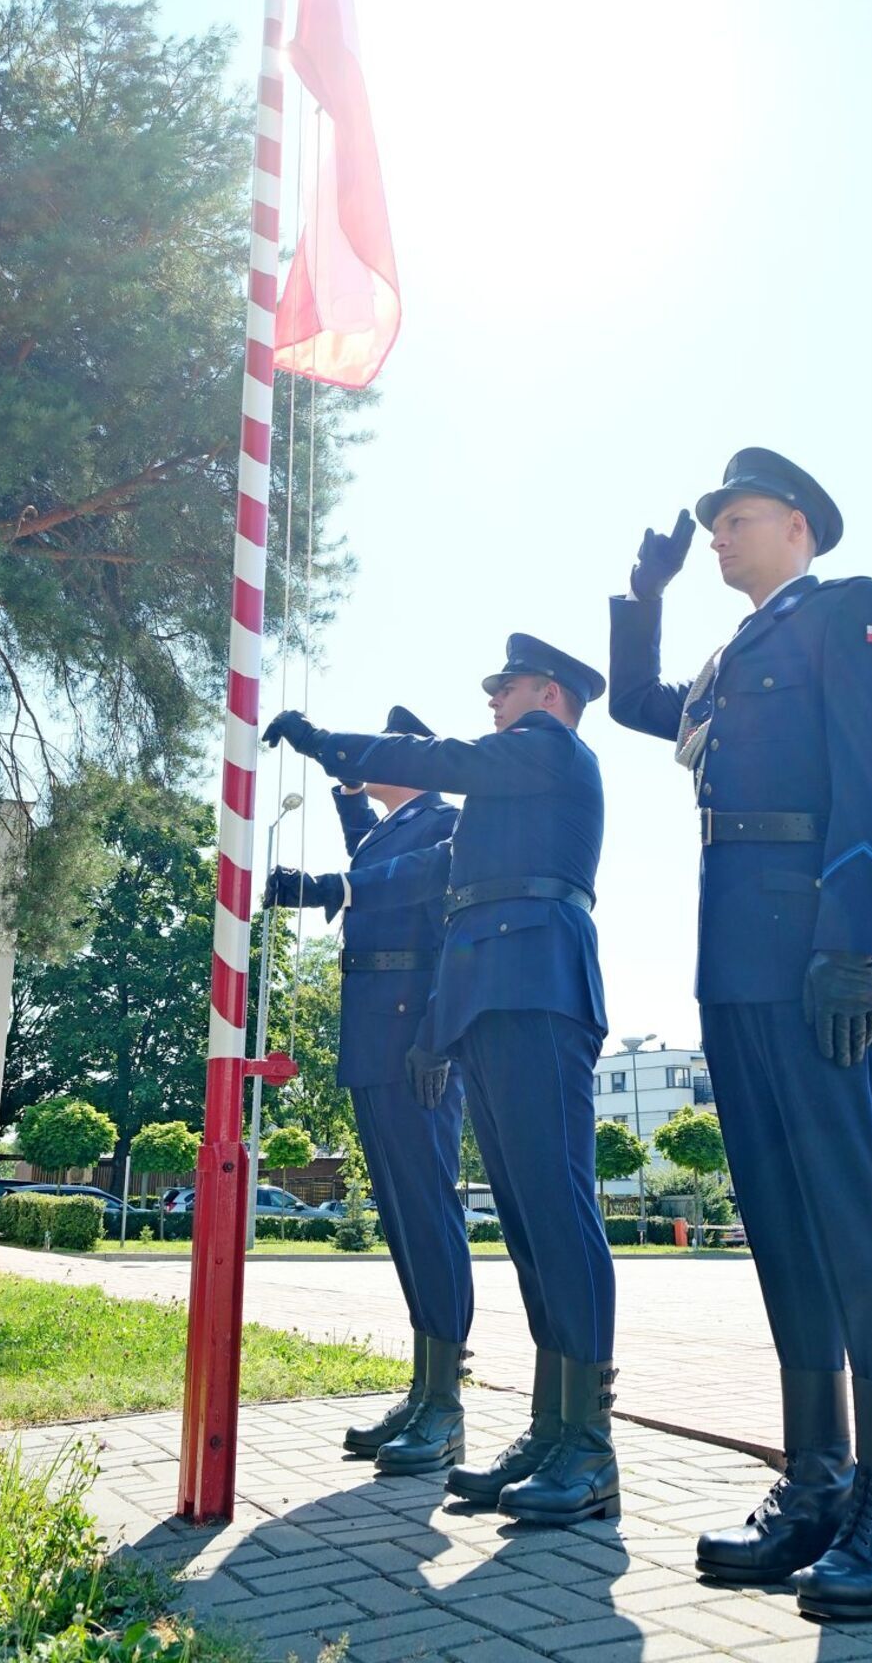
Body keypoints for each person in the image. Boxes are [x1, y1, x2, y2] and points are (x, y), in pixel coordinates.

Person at [608, 449, 872, 1622]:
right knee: (783, 1227)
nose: (716, 540)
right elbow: (638, 707)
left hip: (811, 953)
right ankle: (816, 1479)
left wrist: (852, 938)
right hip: (733, 966)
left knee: (854, 1212)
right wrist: (637, 608)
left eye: (732, 520)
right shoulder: (725, 661)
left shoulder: (852, 613)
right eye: (708, 528)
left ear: (795, 523)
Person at [264, 634, 619, 1527]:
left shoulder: (548, 749)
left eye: (505, 688)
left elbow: (438, 768)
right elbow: (421, 894)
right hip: (489, 998)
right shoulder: (504, 789)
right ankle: (550, 1427)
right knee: (532, 1223)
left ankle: (588, 1438)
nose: (492, 700)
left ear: (548, 692)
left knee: (557, 1206)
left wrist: (328, 743)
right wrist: (438, 1027)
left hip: (539, 986)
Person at [262, 705, 467, 1467]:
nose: (366, 760)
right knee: (403, 1219)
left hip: (415, 1040)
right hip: (374, 1035)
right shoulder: (390, 825)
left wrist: (434, 1039)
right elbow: (365, 855)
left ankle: (445, 1404)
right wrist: (325, 759)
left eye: (380, 752)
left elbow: (409, 896)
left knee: (429, 1210)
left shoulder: (447, 822)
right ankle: (424, 1388)